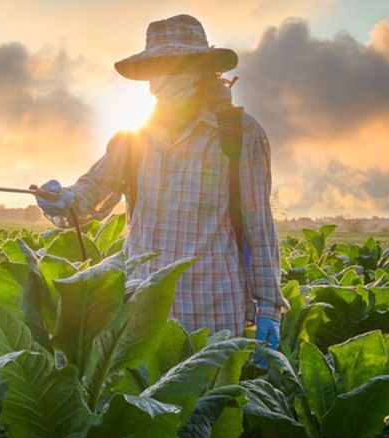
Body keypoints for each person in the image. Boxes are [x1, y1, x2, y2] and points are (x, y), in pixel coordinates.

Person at [35, 14, 287, 352]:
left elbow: (259, 225)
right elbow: (91, 195)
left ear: (202, 71)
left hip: (213, 310)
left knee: (207, 403)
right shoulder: (132, 138)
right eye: (158, 68)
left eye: (177, 65)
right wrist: (61, 198)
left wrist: (269, 307)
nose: (165, 79)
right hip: (141, 306)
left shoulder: (240, 133)